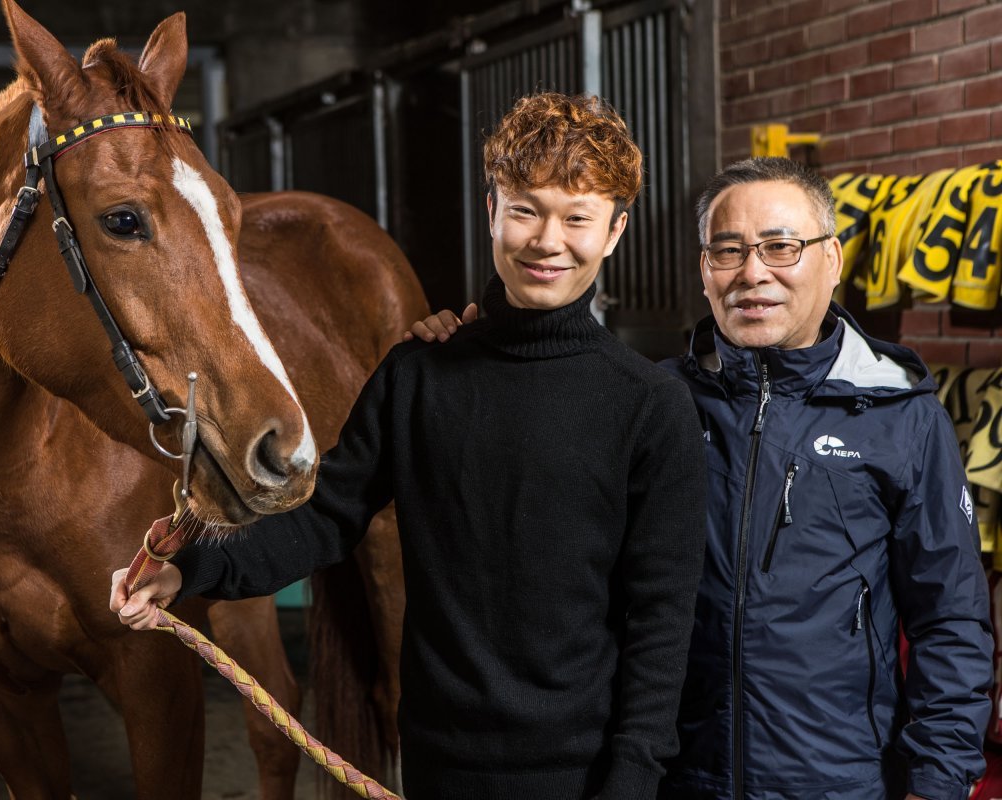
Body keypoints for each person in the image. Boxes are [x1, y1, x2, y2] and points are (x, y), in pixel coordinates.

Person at [111, 92, 709, 799]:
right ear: (492, 211)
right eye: (525, 210)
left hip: (585, 775)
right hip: (437, 764)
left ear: (613, 233)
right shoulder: (418, 374)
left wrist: (634, 777)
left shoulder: (651, 406)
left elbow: (662, 617)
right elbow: (327, 514)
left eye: (577, 218)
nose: (549, 241)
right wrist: (194, 568)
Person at [410, 156, 993, 800]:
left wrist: (938, 779)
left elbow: (951, 617)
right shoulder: (650, 402)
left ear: (832, 260)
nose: (753, 272)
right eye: (728, 250)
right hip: (670, 776)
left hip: (837, 779)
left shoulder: (900, 414)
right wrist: (473, 352)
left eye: (781, 247)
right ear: (704, 272)